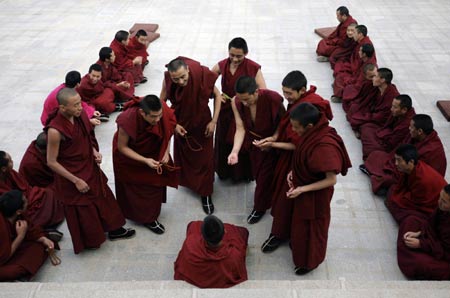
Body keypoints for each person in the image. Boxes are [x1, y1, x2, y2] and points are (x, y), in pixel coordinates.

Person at [263, 103, 351, 275]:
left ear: (309, 126)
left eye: (296, 127)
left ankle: (308, 262)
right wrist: (293, 171)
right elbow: (302, 153)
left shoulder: (325, 145)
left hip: (314, 194)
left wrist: (303, 189)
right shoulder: (310, 133)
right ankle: (284, 237)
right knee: (289, 214)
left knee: (309, 227)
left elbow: (331, 180)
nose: (293, 131)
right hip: (299, 182)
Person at [46, 88, 135, 254]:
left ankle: (115, 229)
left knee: (104, 196)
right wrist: (75, 180)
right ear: (62, 108)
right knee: (84, 209)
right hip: (72, 175)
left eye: (80, 103)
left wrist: (94, 152)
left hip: (89, 166)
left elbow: (86, 138)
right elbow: (51, 162)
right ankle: (91, 240)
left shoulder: (79, 116)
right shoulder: (55, 131)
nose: (80, 107)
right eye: (75, 105)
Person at [259, 71, 333, 252]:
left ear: (302, 90)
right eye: (284, 92)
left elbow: (299, 143)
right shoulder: (296, 105)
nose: (286, 97)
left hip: (302, 163)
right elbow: (286, 124)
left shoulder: (313, 108)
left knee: (288, 199)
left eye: (289, 94)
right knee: (281, 196)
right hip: (287, 156)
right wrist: (274, 136)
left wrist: (274, 144)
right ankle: (279, 232)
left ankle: (281, 234)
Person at [160, 57, 221, 214]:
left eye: (183, 77)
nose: (180, 82)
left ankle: (206, 193)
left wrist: (214, 121)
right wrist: (174, 125)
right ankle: (192, 183)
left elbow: (218, 95)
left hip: (203, 124)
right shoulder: (168, 80)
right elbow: (162, 104)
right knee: (186, 158)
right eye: (176, 79)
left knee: (206, 159)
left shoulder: (201, 75)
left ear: (188, 69)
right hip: (182, 124)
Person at [113, 95, 179, 234]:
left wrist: (166, 152)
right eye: (154, 117)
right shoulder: (127, 120)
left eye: (160, 115)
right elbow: (122, 147)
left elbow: (168, 131)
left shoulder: (161, 110)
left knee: (154, 186)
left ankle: (151, 217)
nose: (158, 120)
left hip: (153, 151)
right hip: (131, 157)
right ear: (142, 113)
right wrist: (144, 160)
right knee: (133, 189)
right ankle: (139, 215)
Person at [227, 76, 285, 224]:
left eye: (248, 99)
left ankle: (259, 207)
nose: (245, 103)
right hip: (254, 144)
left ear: (256, 92)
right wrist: (235, 151)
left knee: (266, 178)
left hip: (272, 143)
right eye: (242, 100)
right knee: (259, 175)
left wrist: (274, 138)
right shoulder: (236, 101)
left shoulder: (273, 99)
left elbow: (283, 122)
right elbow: (240, 128)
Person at [211, 37, 266, 182]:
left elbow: (262, 90)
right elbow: (208, 79)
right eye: (232, 55)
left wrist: (246, 101)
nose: (235, 59)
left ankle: (242, 174)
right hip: (225, 109)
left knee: (242, 140)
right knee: (223, 139)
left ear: (246, 53)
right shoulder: (222, 64)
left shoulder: (253, 67)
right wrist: (217, 94)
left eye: (239, 56)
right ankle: (224, 171)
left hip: (243, 108)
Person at [362, 114, 447, 195]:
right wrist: (393, 162)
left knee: (388, 180)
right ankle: (378, 176)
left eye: (411, 127)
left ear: (420, 131)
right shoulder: (416, 135)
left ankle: (381, 180)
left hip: (415, 178)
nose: (409, 128)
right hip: (403, 164)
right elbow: (401, 147)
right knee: (376, 154)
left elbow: (416, 172)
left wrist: (394, 168)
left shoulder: (431, 150)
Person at [174, 215, 249, 288]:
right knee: (244, 232)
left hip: (196, 277)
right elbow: (238, 274)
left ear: (202, 235)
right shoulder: (233, 255)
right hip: (221, 281)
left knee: (192, 225)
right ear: (225, 231)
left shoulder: (190, 244)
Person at [397, 185, 450, 280]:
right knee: (411, 220)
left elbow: (445, 251)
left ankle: (408, 253)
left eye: (444, 202)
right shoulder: (443, 207)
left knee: (421, 263)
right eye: (440, 197)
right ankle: (409, 253)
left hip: (445, 255)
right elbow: (431, 223)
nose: (439, 202)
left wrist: (421, 244)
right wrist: (419, 233)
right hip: (434, 239)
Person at [0, 190, 55, 281]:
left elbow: (31, 229)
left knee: (38, 245)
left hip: (9, 249)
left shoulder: (18, 215)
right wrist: (20, 236)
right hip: (3, 259)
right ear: (18, 211)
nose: (28, 201)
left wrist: (42, 239)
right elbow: (3, 257)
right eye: (25, 201)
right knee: (13, 271)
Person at [0, 151, 63, 229]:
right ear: (3, 169)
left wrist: (30, 195)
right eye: (10, 161)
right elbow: (9, 205)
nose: (12, 161)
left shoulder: (10, 172)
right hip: (17, 208)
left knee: (48, 193)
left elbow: (25, 187)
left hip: (26, 198)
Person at [386, 144, 447, 223]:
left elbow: (415, 202)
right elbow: (403, 184)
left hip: (433, 206)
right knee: (392, 190)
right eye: (396, 160)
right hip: (416, 195)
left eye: (399, 160)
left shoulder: (422, 180)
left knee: (405, 215)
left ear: (411, 162)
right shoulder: (414, 167)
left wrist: (396, 198)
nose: (396, 163)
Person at [359, 94, 416, 160]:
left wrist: (383, 136)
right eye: (392, 106)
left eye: (395, 107)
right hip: (388, 133)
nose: (391, 109)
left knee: (373, 151)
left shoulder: (407, 123)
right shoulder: (398, 113)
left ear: (404, 110)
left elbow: (392, 144)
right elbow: (386, 125)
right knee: (366, 126)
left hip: (389, 144)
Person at [347, 67, 400, 137]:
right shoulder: (378, 87)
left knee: (365, 126)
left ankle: (360, 127)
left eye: (375, 76)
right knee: (354, 107)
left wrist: (367, 116)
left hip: (380, 119)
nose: (373, 79)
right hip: (373, 111)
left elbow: (384, 115)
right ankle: (359, 126)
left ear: (383, 80)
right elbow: (368, 100)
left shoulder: (392, 95)